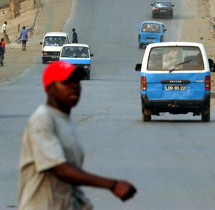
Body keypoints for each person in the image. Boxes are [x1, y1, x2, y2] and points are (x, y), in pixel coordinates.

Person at [18, 62, 137, 209]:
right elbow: (60, 169)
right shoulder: (42, 118)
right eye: (66, 82)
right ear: (49, 88)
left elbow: (68, 183)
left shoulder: (65, 121)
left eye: (77, 81)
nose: (74, 86)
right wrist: (112, 185)